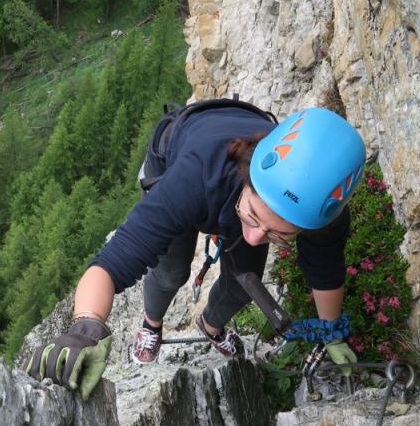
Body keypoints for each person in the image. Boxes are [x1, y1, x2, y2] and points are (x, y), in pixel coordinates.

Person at [26, 101, 367, 400]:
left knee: (243, 283)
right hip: (179, 153)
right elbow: (111, 264)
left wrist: (330, 331)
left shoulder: (318, 206)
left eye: (279, 236)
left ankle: (212, 326)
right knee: (171, 271)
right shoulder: (193, 179)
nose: (253, 238)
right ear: (249, 176)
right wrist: (85, 330)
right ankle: (151, 324)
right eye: (253, 215)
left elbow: (324, 266)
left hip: (229, 183)